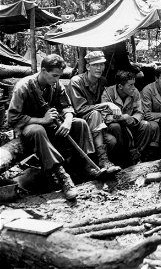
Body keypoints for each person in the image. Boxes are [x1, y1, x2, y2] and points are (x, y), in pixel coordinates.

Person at [7, 54, 100, 200]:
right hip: (30, 129)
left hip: (51, 126)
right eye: (54, 76)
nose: (57, 80)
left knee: (80, 124)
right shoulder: (23, 87)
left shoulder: (55, 84)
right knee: (38, 130)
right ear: (43, 70)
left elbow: (67, 106)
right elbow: (12, 118)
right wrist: (42, 120)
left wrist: (68, 120)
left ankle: (84, 167)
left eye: (59, 76)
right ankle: (62, 176)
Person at [68, 51, 121, 173]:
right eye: (95, 65)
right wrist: (105, 105)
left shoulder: (102, 81)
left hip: (97, 125)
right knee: (95, 113)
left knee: (112, 140)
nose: (99, 68)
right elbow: (80, 109)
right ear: (87, 67)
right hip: (79, 126)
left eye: (102, 65)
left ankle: (107, 165)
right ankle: (102, 161)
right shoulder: (76, 81)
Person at [101, 70, 160, 164]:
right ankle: (121, 158)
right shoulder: (108, 94)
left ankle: (136, 155)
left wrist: (132, 119)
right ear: (120, 86)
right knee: (115, 126)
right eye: (130, 85)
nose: (134, 88)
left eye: (134, 84)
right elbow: (105, 117)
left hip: (130, 124)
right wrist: (121, 117)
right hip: (115, 128)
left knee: (146, 125)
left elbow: (140, 112)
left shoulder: (135, 92)